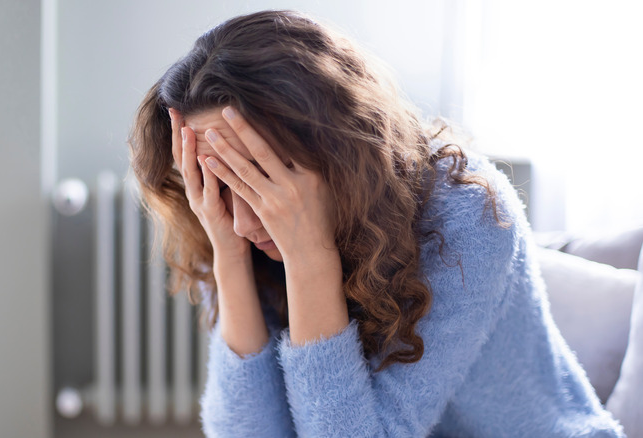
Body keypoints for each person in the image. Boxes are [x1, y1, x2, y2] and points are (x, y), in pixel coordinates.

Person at [128, 10, 625, 438]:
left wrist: (309, 257)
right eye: (218, 185)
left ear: (335, 149)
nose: (240, 220)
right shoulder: (235, 229)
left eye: (260, 179)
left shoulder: (469, 215)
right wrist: (230, 260)